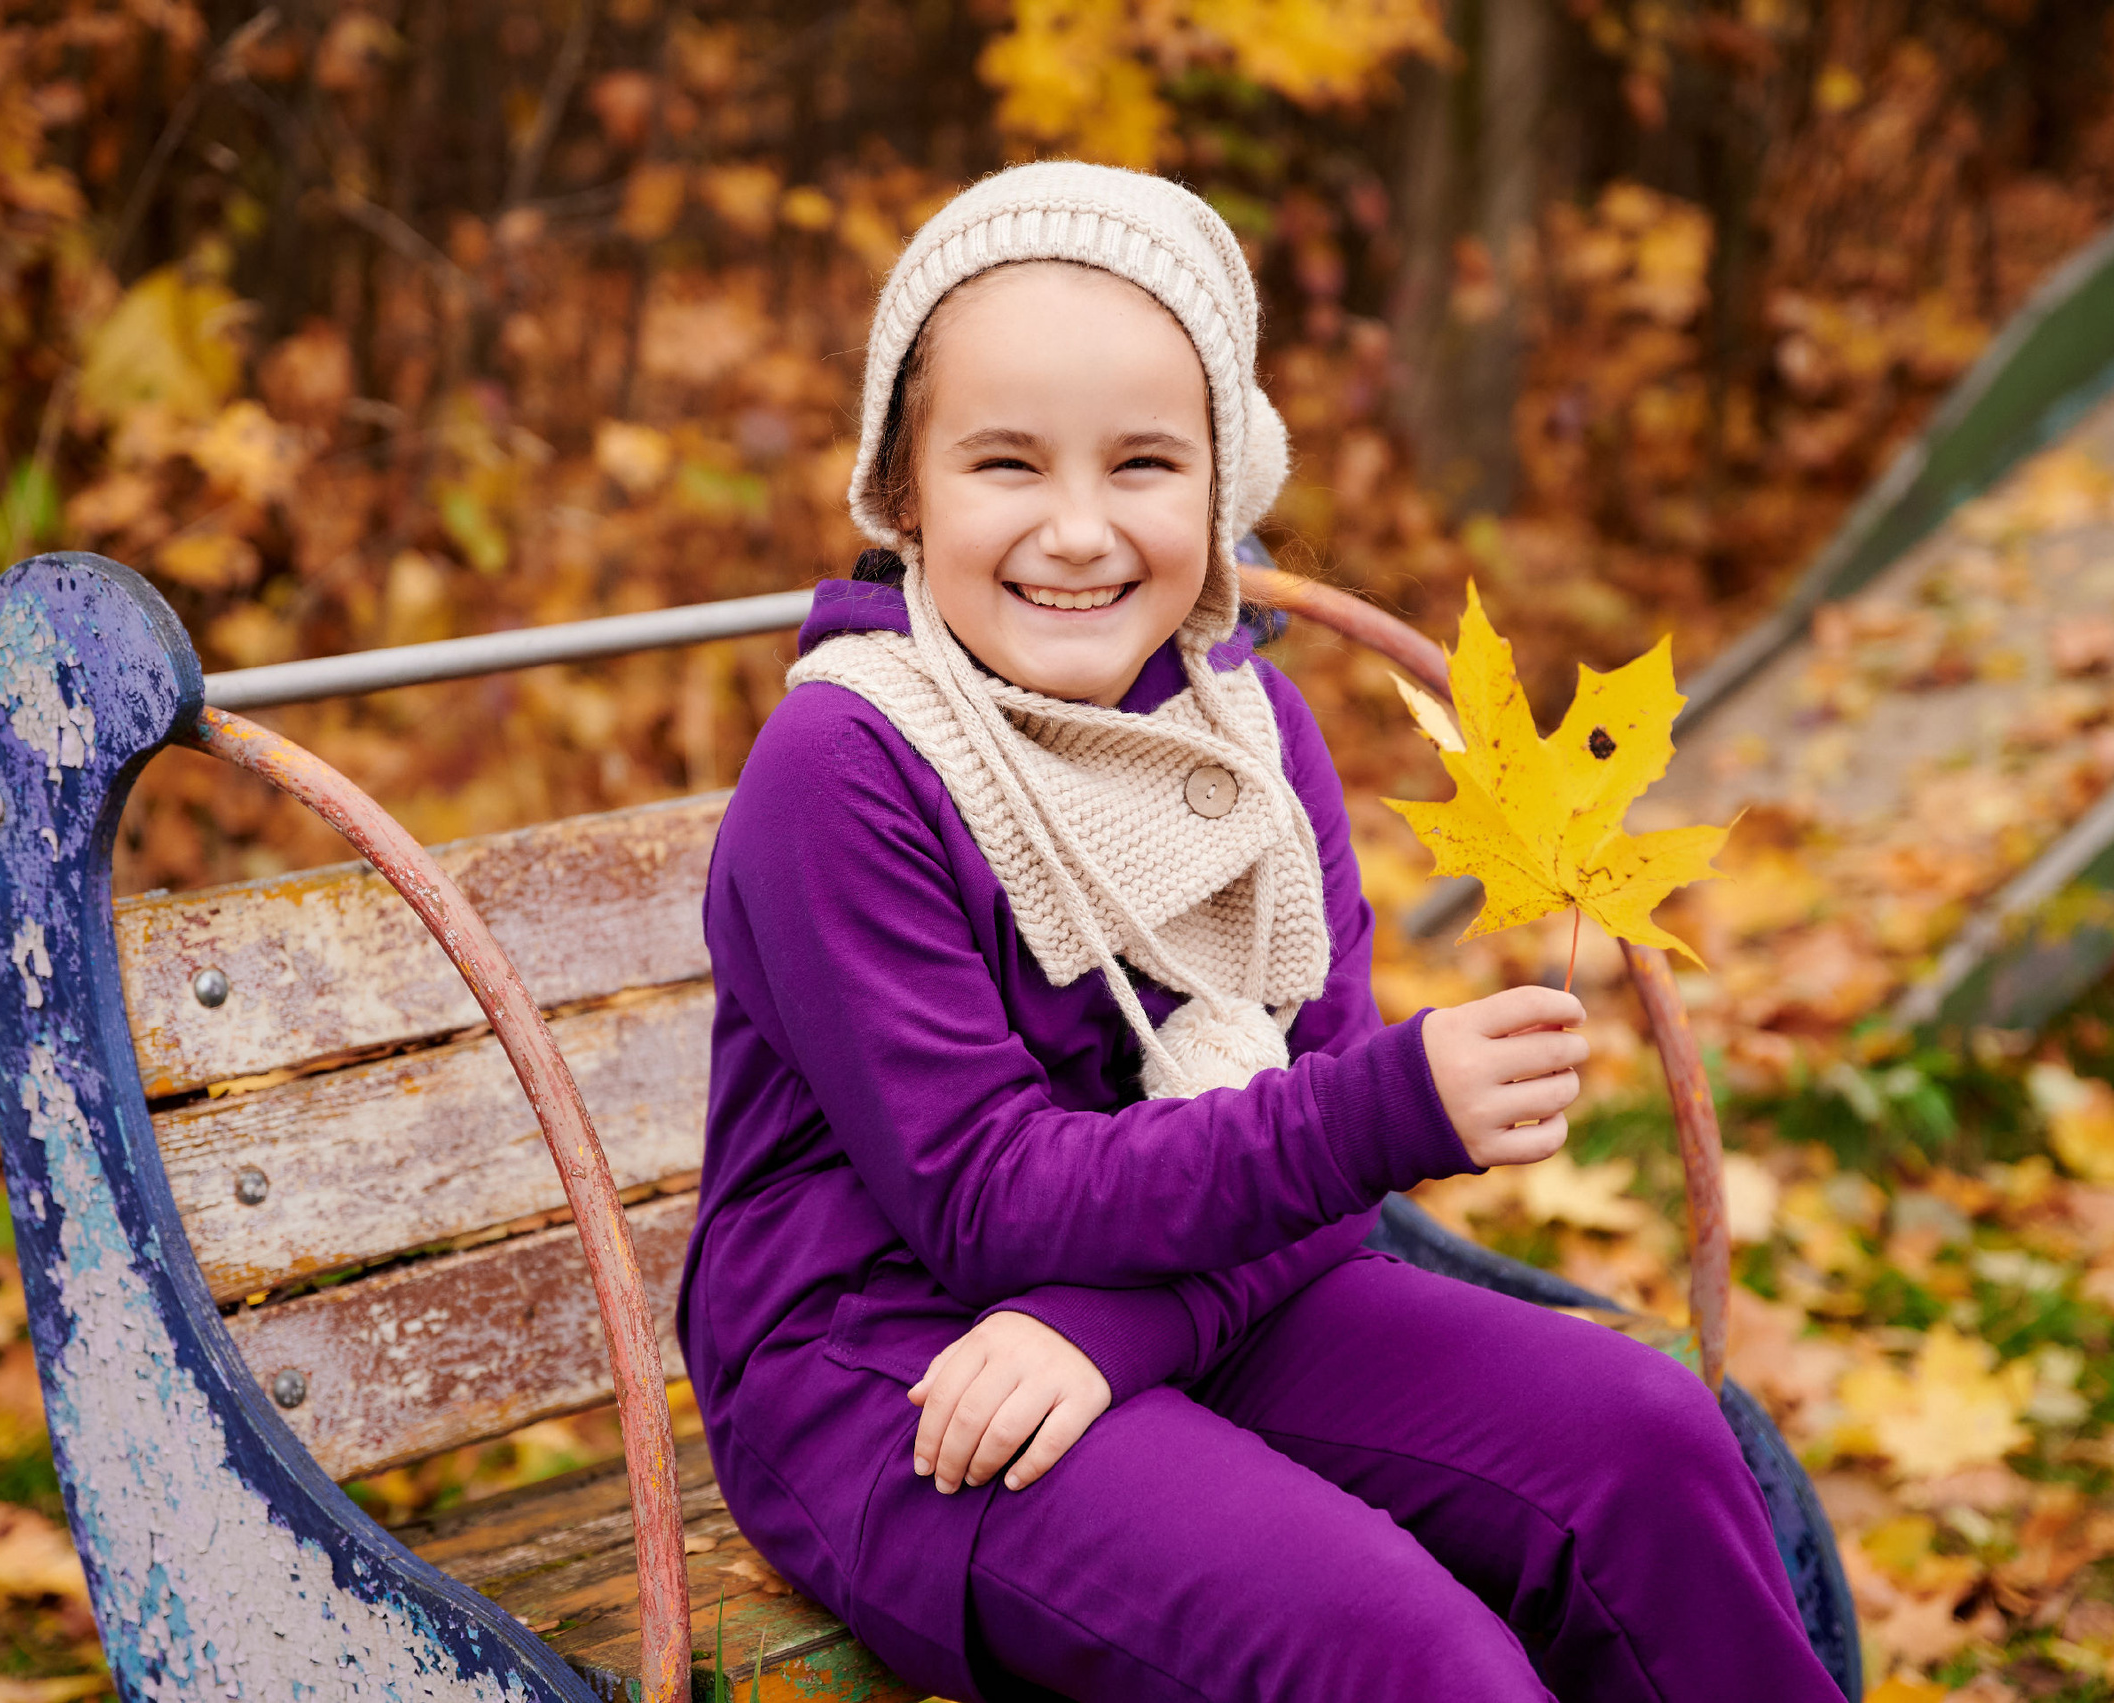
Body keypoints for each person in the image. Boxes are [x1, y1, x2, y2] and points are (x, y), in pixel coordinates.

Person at [677, 160, 1846, 1703]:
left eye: (1146, 465)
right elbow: (989, 1195)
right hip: (901, 1370)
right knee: (1404, 1654)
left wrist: (1121, 1331)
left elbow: (1319, 1169)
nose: (1080, 532)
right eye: (1007, 465)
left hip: (1178, 1302)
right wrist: (1388, 1110)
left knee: (1645, 1446)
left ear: (1224, 488)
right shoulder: (848, 767)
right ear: (901, 494)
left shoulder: (1245, 732)